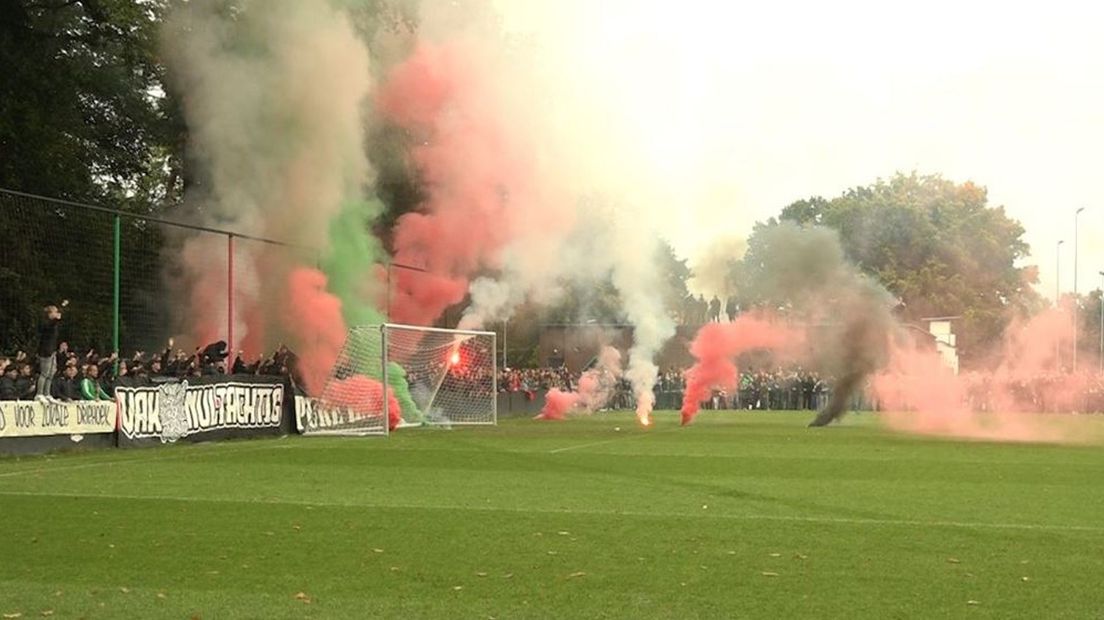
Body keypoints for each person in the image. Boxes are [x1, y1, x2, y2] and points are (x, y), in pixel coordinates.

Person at [36, 301, 66, 398]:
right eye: (55, 312)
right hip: (45, 351)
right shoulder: (46, 323)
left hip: (52, 350)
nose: (57, 313)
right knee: (44, 373)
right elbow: (52, 323)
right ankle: (39, 393)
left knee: (51, 372)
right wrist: (61, 308)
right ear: (50, 314)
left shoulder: (54, 325)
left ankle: (47, 393)